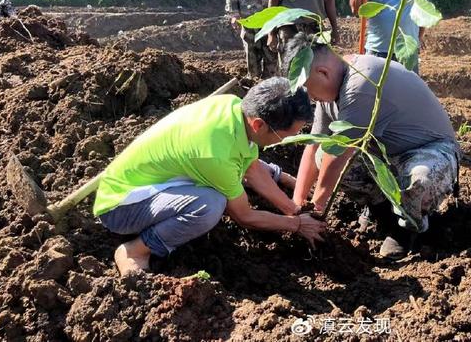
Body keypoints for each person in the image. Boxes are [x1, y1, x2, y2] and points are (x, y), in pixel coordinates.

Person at [93, 77, 325, 275]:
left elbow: (251, 168)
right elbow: (244, 216)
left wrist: (294, 209)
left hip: (154, 183)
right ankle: (136, 250)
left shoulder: (233, 106)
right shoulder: (216, 156)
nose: (286, 140)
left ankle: (281, 179)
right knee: (211, 204)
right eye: (285, 134)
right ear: (259, 124)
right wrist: (295, 225)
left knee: (231, 172)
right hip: (121, 208)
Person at [284, 34, 460, 260]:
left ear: (322, 73)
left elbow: (337, 155)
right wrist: (297, 206)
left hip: (430, 150)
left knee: (420, 179)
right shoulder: (328, 95)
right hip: (387, 156)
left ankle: (407, 229)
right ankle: (384, 214)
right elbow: (314, 147)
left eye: (308, 89)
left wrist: (316, 212)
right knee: (322, 157)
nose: (310, 97)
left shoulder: (361, 84)